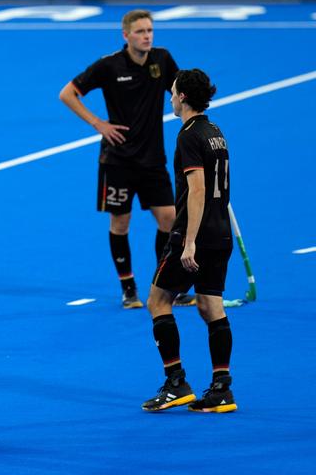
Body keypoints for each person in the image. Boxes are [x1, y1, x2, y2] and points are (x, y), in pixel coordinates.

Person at [59, 9, 194, 308]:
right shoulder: (109, 66)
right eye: (140, 31)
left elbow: (181, 93)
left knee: (170, 220)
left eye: (150, 31)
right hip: (117, 161)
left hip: (152, 159)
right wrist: (98, 124)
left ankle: (165, 285)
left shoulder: (162, 60)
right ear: (126, 35)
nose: (147, 36)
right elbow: (67, 93)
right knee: (121, 223)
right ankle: (128, 289)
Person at [141, 69, 237, 413]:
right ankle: (222, 388)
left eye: (172, 92)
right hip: (220, 230)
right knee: (211, 306)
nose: (170, 97)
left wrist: (190, 241)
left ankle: (176, 382)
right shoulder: (215, 132)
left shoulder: (188, 136)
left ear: (182, 97)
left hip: (193, 233)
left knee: (157, 300)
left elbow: (197, 190)